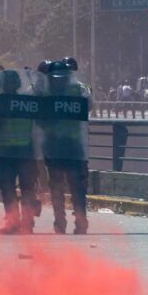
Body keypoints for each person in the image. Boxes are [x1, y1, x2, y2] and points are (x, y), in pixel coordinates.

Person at [38, 59, 90, 234]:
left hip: (73, 146)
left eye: (62, 77)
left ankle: (81, 222)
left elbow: (88, 105)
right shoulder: (44, 94)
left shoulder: (78, 90)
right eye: (56, 78)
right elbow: (39, 119)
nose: (59, 80)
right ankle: (60, 221)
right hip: (53, 146)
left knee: (77, 187)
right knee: (56, 187)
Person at [0, 69, 38, 234]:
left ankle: (26, 221)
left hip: (22, 152)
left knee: (25, 188)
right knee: (9, 188)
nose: (9, 86)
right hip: (8, 152)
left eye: (11, 82)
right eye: (7, 83)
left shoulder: (27, 100)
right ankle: (14, 221)